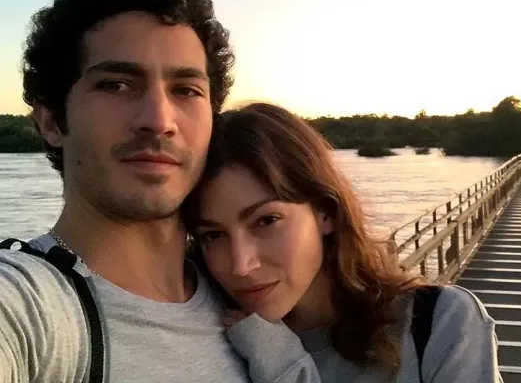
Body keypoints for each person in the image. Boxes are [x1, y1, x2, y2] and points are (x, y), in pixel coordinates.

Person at [0, 0, 316, 383]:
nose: (159, 120)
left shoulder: (246, 292)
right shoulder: (28, 307)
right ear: (53, 121)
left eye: (186, 90)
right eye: (116, 84)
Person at [185, 102, 503, 382]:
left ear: (325, 211)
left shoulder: (438, 324)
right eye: (213, 235)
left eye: (266, 221)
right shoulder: (207, 345)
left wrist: (282, 365)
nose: (241, 265)